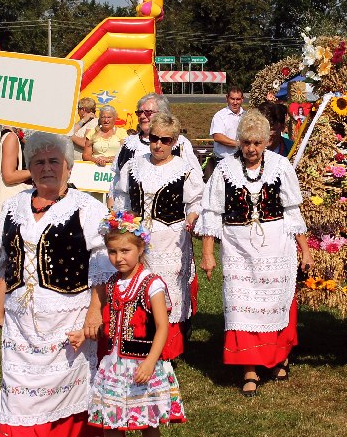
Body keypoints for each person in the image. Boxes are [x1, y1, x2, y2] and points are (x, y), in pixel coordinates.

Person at [0, 132, 113, 437]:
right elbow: (0, 263)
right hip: (21, 318)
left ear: (69, 167)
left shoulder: (88, 208)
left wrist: (94, 313)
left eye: (55, 162)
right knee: (16, 388)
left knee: (70, 386)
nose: (47, 168)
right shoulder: (12, 207)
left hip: (68, 315)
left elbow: (102, 267)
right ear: (29, 168)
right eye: (39, 162)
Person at [199, 111, 312, 397]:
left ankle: (277, 358)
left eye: (258, 143)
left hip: (277, 246)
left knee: (276, 303)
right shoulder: (225, 169)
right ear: (239, 141)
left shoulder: (280, 166)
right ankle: (249, 368)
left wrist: (305, 251)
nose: (251, 149)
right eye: (247, 142)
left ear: (267, 142)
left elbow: (292, 211)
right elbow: (212, 213)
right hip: (238, 248)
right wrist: (209, 255)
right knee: (240, 306)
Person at [81, 212, 186, 437]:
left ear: (141, 249)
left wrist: (151, 362)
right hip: (115, 364)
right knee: (112, 421)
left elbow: (163, 326)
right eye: (112, 252)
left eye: (125, 250)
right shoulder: (111, 283)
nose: (119, 257)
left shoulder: (151, 283)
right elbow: (111, 320)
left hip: (143, 363)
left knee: (148, 421)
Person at [111, 113, 202, 359]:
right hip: (137, 239)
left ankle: (167, 351)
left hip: (170, 239)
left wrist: (192, 217)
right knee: (137, 288)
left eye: (164, 140)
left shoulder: (184, 169)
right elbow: (122, 198)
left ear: (174, 141)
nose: (158, 145)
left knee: (165, 290)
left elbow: (197, 200)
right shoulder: (134, 165)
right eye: (154, 138)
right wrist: (123, 222)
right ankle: (137, 344)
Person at [0, 126, 32, 330]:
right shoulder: (11, 137)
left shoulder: (0, 136)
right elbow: (9, 175)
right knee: (9, 260)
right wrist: (38, 169)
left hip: (0, 197)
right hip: (8, 198)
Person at [113, 93, 202, 179]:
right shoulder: (129, 144)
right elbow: (117, 176)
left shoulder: (179, 143)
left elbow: (194, 177)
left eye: (148, 112)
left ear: (162, 114)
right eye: (140, 113)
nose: (143, 116)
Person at [209, 86, 246, 161]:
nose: (235, 102)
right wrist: (239, 144)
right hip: (223, 160)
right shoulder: (220, 116)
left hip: (242, 159)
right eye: (232, 99)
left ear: (242, 99)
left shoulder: (247, 116)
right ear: (227, 98)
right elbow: (218, 137)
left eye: (238, 99)